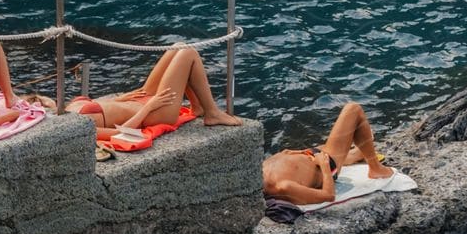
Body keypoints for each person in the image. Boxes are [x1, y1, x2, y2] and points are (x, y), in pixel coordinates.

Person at [66, 45, 242, 135]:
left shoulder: (61, 112)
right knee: (188, 54)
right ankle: (212, 113)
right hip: (154, 113)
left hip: (138, 100)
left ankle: (199, 107)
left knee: (179, 47)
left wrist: (120, 99)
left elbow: (104, 108)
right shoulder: (77, 131)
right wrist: (148, 107)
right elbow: (120, 132)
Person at [262, 101, 393, 206]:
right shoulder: (283, 187)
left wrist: (294, 153)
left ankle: (357, 153)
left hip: (311, 155)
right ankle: (376, 168)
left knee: (353, 143)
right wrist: (324, 164)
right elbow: (328, 196)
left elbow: (285, 162)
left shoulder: (258, 172)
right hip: (327, 162)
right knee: (353, 109)